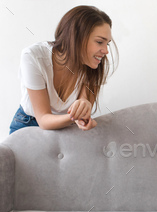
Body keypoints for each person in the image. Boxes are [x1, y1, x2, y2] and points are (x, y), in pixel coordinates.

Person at [9, 5, 118, 134]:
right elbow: (43, 119)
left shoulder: (94, 63)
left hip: (67, 126)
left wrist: (83, 108)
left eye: (107, 43)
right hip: (29, 124)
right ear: (76, 38)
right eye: (100, 42)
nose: (106, 51)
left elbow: (84, 100)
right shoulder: (33, 56)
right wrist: (74, 117)